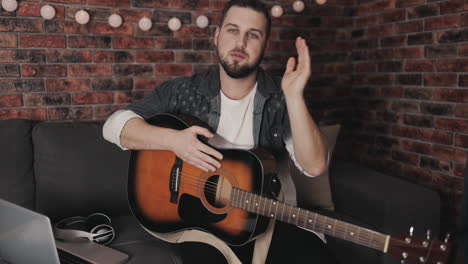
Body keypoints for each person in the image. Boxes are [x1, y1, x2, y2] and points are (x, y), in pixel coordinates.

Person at [103, 0, 336, 263]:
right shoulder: (183, 91)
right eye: (232, 30)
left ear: (265, 45)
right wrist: (174, 141)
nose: (241, 43)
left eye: (253, 34)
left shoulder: (280, 98)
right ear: (217, 35)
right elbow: (113, 126)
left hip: (268, 220)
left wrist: (294, 98)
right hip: (203, 223)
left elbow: (315, 166)